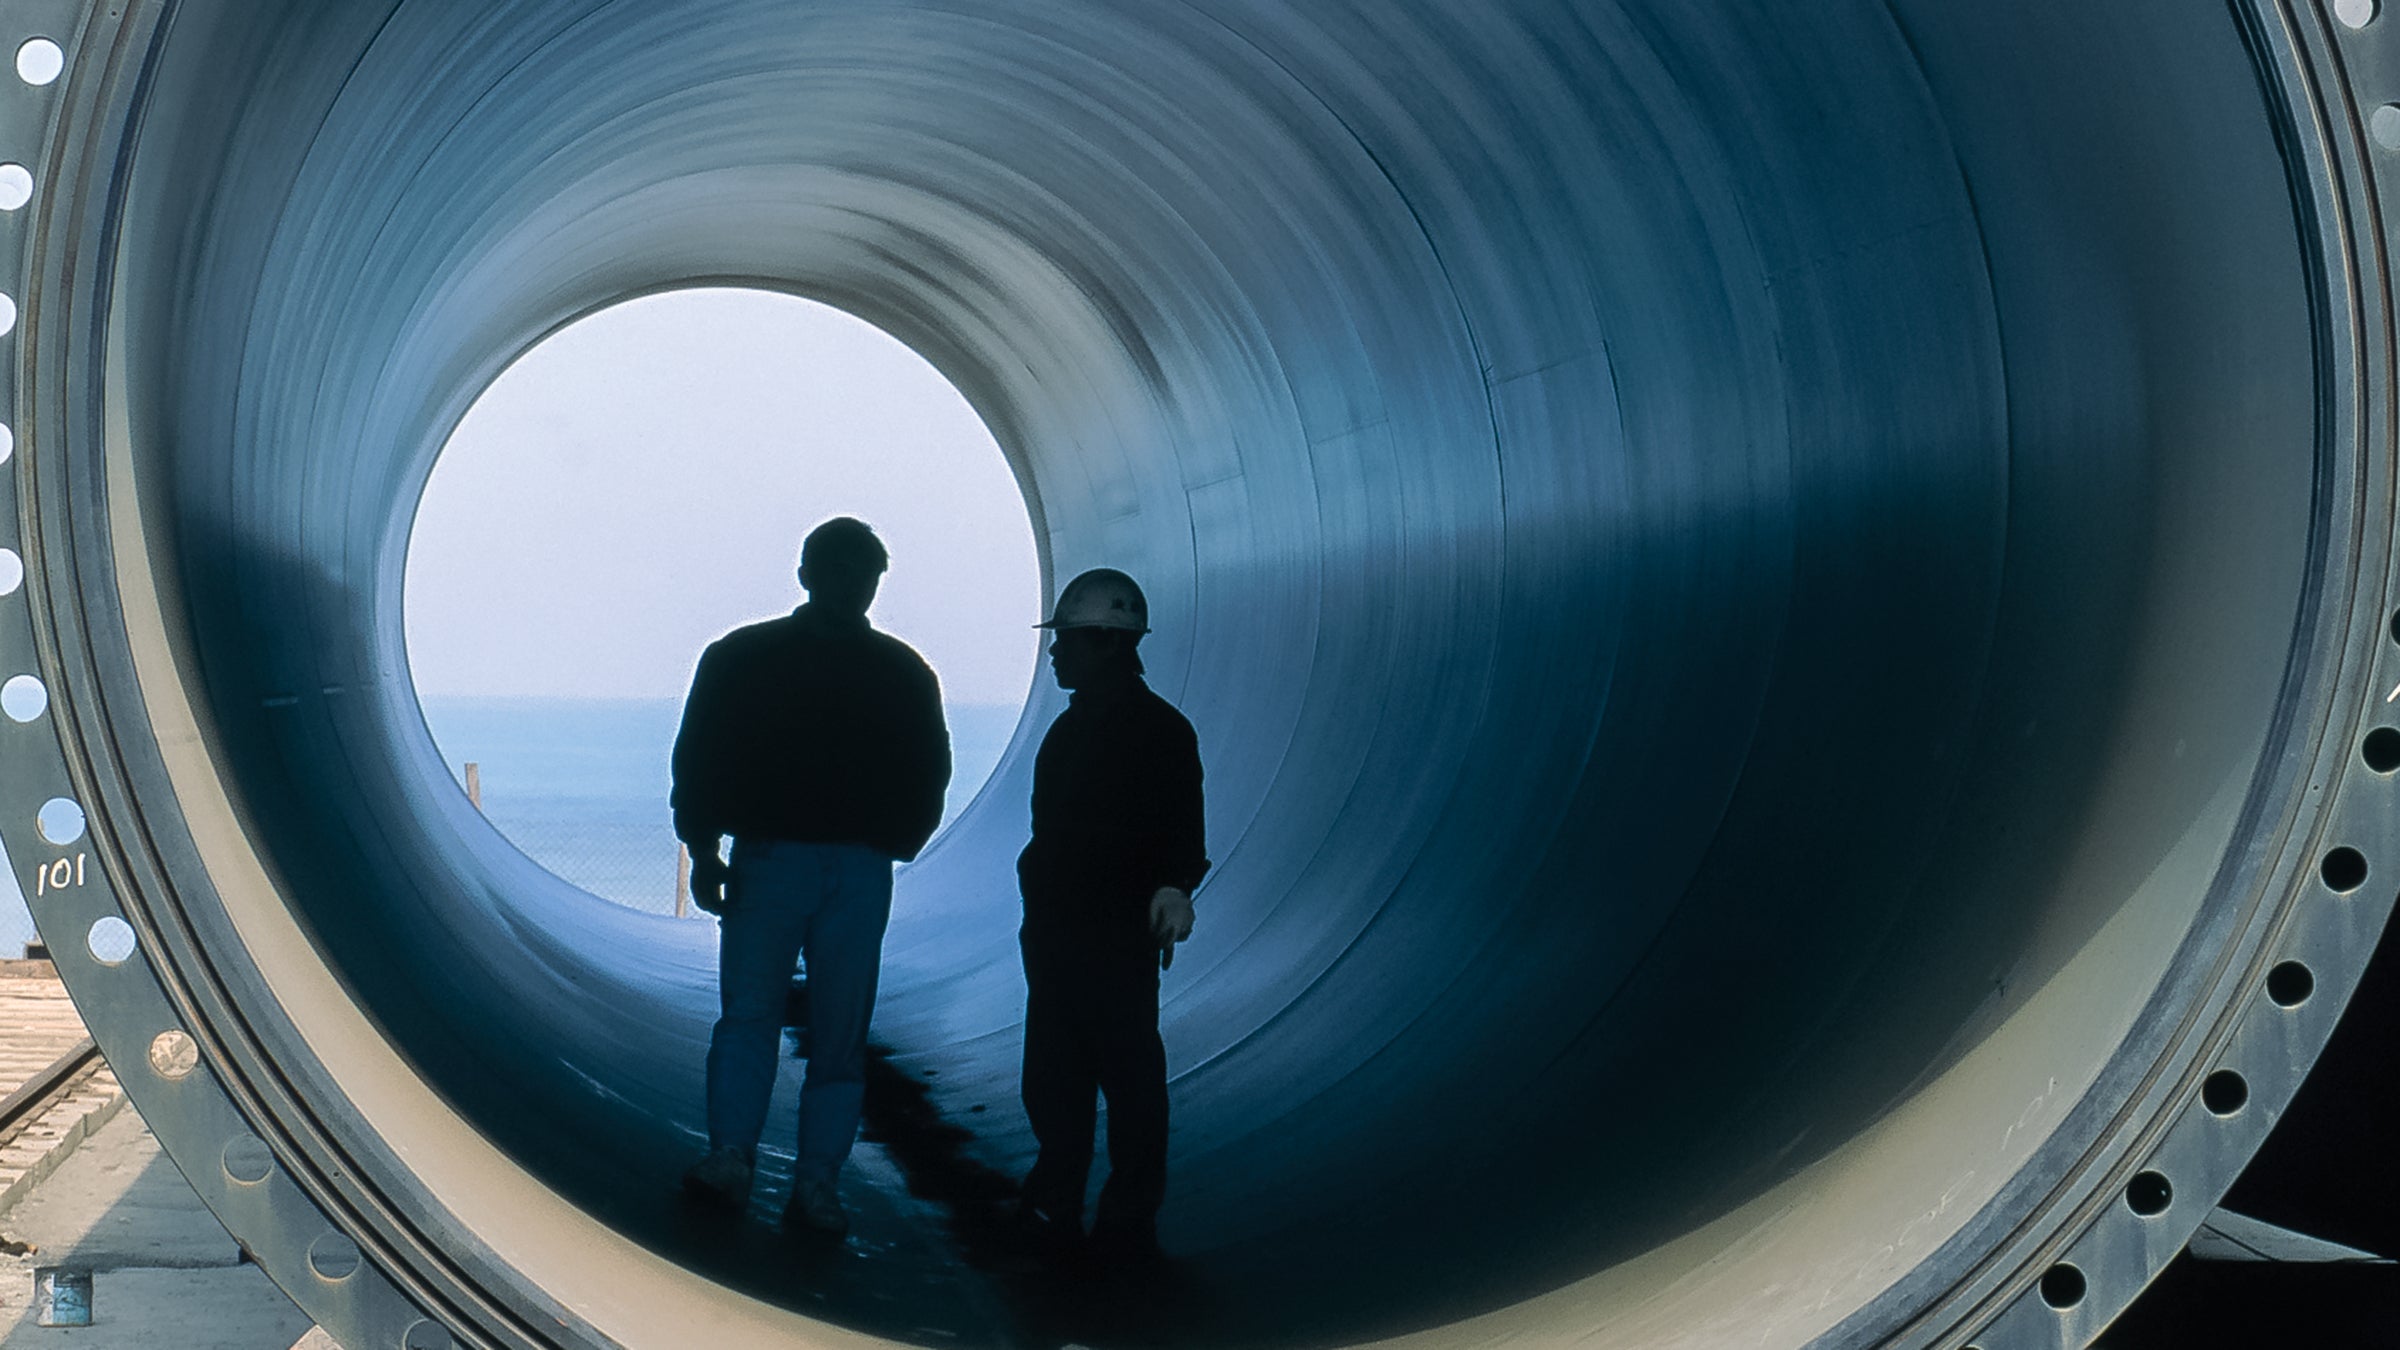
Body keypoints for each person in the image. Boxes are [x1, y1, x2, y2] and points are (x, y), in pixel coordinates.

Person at [671, 516, 950, 1236]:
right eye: (848, 573)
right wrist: (704, 848)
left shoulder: (744, 656)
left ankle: (748, 1163)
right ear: (812, 575)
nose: (853, 587)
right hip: (840, 865)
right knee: (821, 1032)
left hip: (787, 861)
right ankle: (807, 1183)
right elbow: (930, 769)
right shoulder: (900, 671)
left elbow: (699, 756)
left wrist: (705, 848)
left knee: (764, 1021)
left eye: (861, 575)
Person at [1014, 568, 1207, 1268]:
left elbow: (1181, 830)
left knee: (1123, 1079)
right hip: (1064, 935)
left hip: (1107, 937)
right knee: (1058, 1075)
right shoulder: (1078, 730)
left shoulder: (1153, 734)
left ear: (1102, 642)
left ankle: (1120, 1213)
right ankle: (1065, 1198)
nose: (1055, 653)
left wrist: (1172, 886)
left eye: (1064, 640)